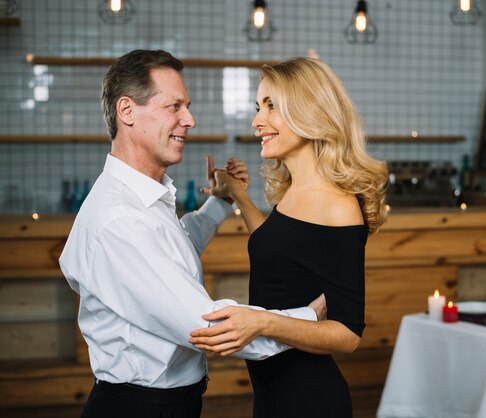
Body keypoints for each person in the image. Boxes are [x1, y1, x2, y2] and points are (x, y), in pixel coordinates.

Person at [59, 50, 325, 418]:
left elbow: (170, 247)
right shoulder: (120, 219)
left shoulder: (139, 201)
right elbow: (211, 327)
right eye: (175, 107)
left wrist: (220, 202)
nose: (191, 120)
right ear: (127, 111)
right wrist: (311, 317)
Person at [189, 57, 389, 418]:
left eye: (271, 106)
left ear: (308, 112)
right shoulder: (295, 190)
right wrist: (234, 193)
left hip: (310, 402)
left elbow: (348, 334)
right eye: (257, 107)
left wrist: (262, 322)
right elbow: (276, 247)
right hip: (272, 396)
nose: (256, 121)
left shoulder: (338, 207)